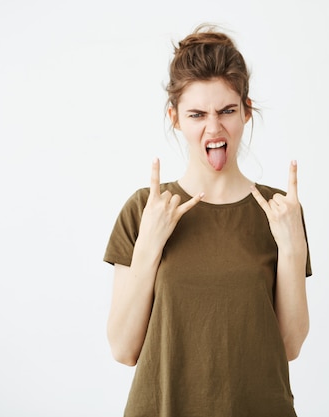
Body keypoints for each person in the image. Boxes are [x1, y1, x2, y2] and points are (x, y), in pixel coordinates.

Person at [103, 23, 312, 417]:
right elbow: (123, 349)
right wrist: (149, 246)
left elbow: (289, 346)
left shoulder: (280, 211)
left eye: (227, 111)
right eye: (197, 114)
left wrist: (291, 248)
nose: (213, 129)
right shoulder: (143, 211)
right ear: (176, 118)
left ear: (246, 111)